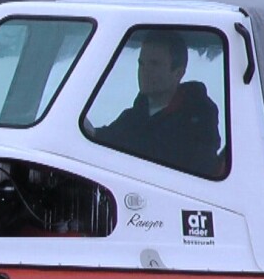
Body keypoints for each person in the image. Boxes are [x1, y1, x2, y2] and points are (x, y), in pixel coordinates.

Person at [93, 30, 221, 176]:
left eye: (154, 64)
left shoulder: (197, 123)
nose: (144, 71)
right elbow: (103, 140)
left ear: (178, 73)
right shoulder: (134, 116)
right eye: (141, 63)